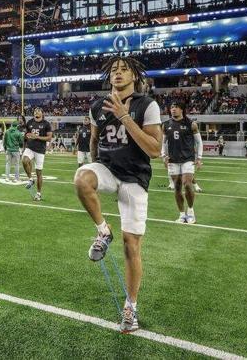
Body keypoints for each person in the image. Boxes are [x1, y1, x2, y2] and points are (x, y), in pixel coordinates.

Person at [73, 55, 162, 333]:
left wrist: (124, 117)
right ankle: (102, 230)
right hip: (109, 169)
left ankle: (131, 306)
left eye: (124, 69)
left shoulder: (147, 105)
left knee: (130, 245)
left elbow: (155, 150)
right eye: (114, 70)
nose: (119, 73)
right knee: (81, 179)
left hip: (135, 176)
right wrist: (92, 160)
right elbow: (95, 137)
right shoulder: (97, 106)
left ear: (135, 75)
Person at [162, 102, 202, 224]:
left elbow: (199, 142)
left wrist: (199, 158)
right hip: (173, 160)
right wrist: (163, 155)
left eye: (176, 107)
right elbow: (163, 142)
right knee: (177, 187)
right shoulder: (166, 124)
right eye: (172, 107)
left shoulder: (191, 124)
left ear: (182, 109)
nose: (173, 109)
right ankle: (181, 215)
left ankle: (190, 212)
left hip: (187, 159)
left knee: (187, 184)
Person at [22, 107, 52, 201]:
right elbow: (26, 135)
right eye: (35, 111)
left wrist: (37, 137)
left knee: (39, 173)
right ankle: (30, 179)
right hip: (30, 147)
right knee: (24, 160)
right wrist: (26, 136)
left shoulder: (46, 124)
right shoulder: (29, 122)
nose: (36, 112)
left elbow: (49, 138)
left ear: (42, 113)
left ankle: (38, 193)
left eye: (38, 111)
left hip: (40, 150)